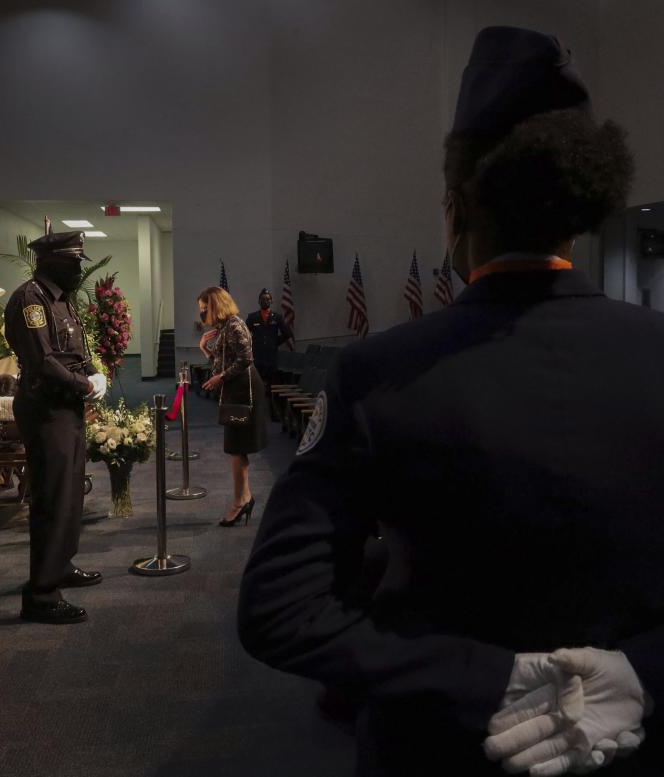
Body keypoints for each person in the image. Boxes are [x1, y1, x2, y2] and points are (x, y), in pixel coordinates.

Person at [238, 26, 664, 776]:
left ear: (457, 208)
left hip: (440, 750)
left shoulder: (377, 373)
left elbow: (280, 609)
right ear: (581, 202)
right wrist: (642, 671)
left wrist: (488, 678)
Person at [4, 226, 108, 625]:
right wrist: (83, 385)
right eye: (73, 262)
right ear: (52, 262)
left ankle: (61, 565)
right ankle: (42, 595)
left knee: (70, 494)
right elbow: (42, 360)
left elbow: (75, 351)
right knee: (51, 499)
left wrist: (94, 374)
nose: (79, 269)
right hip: (46, 410)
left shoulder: (62, 301)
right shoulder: (31, 299)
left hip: (67, 409)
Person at [198, 287, 269, 526]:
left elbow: (246, 358)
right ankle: (244, 498)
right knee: (237, 449)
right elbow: (222, 363)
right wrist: (205, 349)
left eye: (204, 308)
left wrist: (221, 378)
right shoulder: (224, 328)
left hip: (244, 390)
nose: (202, 313)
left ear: (215, 305)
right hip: (234, 388)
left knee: (237, 448)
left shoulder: (235, 325)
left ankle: (240, 502)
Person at [245, 288, 291, 418]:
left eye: (268, 299)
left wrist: (274, 343)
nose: (265, 301)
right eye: (263, 299)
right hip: (258, 357)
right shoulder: (253, 317)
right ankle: (254, 413)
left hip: (271, 358)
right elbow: (244, 334)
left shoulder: (277, 317)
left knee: (273, 386)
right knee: (256, 386)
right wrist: (253, 343)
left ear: (271, 301)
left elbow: (287, 333)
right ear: (259, 301)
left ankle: (274, 411)